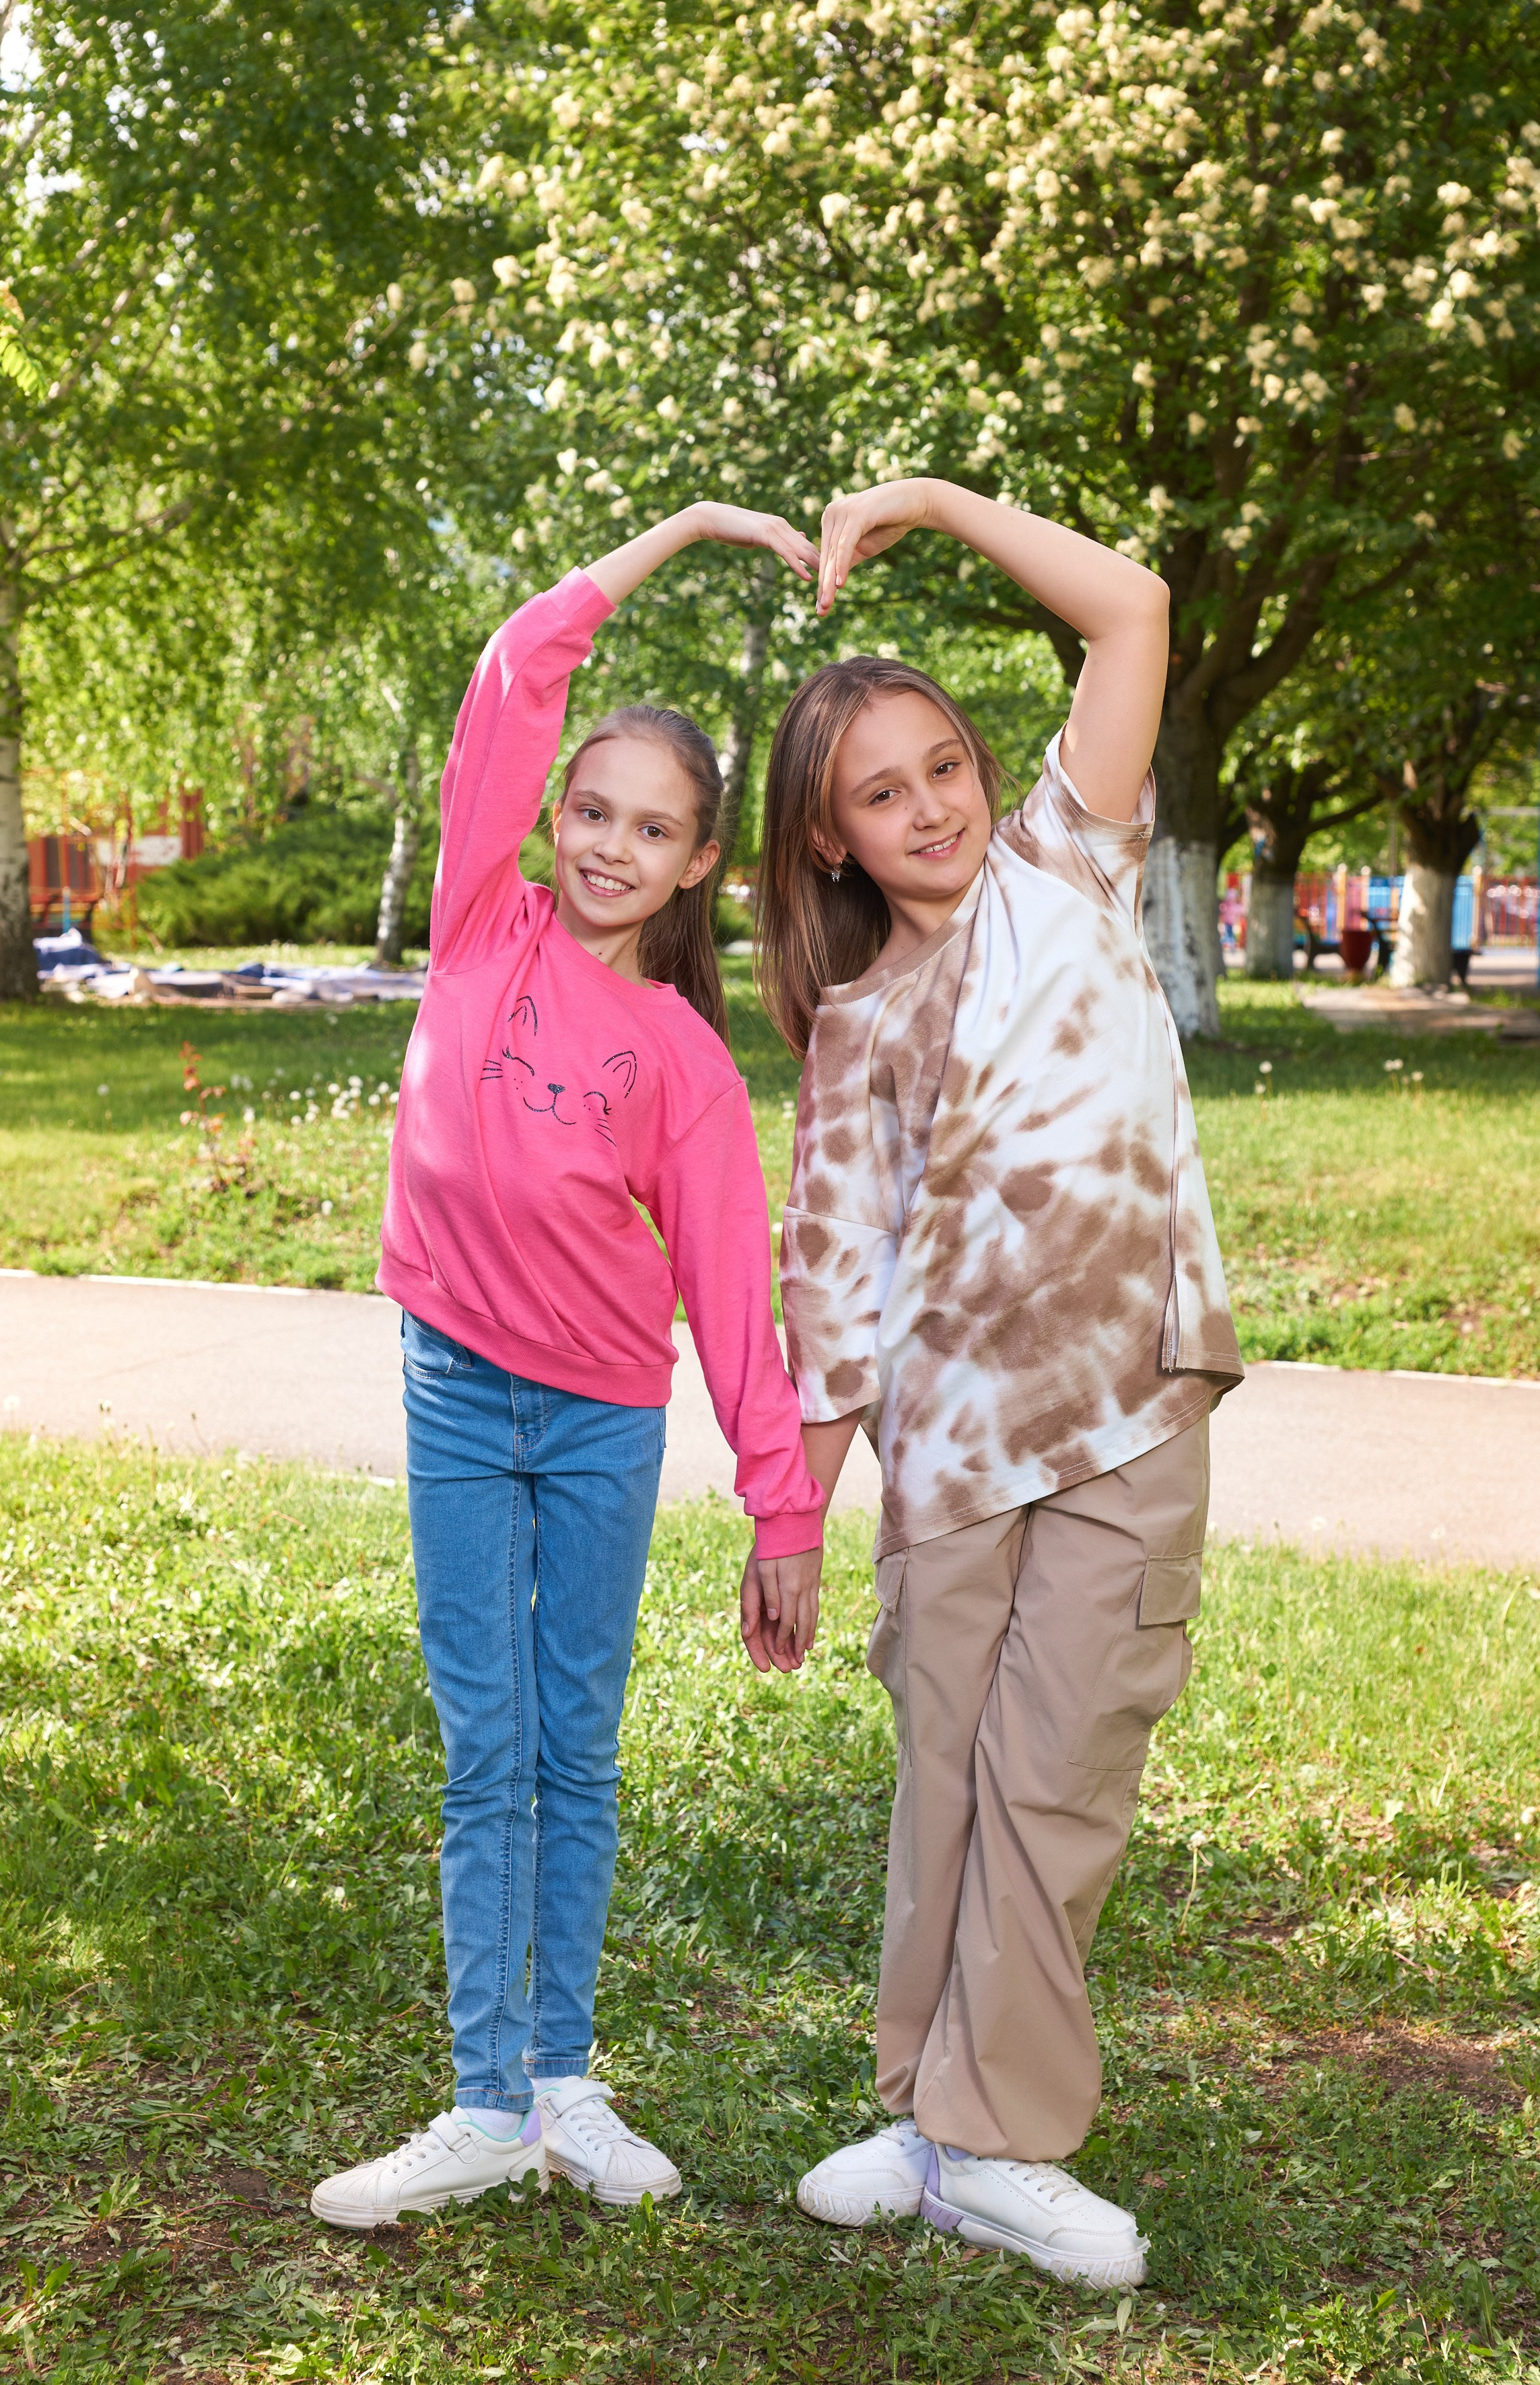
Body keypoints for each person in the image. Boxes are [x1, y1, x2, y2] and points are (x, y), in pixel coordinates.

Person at [311, 504, 827, 2231]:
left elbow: (734, 1300)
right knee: (485, 1746)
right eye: (590, 809)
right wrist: (674, 537)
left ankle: (562, 2080)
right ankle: (476, 2099)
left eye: (653, 828)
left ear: (697, 867)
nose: (609, 843)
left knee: (574, 1748)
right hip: (457, 1391)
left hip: (603, 1419)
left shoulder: (683, 1059)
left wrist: (785, 1509)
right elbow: (510, 672)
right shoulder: (480, 924)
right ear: (551, 817)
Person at [755, 477, 1243, 2287]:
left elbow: (1132, 609)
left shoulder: (1070, 863)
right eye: (879, 796)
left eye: (942, 765)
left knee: (1056, 1779)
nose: (929, 809)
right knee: (949, 1782)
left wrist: (935, 506)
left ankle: (1000, 2142)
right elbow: (838, 1279)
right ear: (832, 845)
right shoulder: (857, 1022)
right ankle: (926, 2111)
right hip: (948, 1461)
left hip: (1127, 1408)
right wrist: (792, 1505)